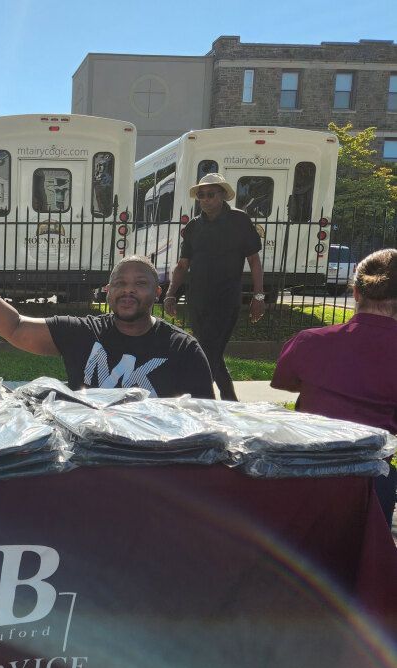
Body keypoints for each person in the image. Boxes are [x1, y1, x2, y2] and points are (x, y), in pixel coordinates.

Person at [0, 233, 214, 398]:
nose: (128, 290)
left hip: (152, 465)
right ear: (107, 290)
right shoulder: (84, 333)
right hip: (90, 459)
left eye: (140, 283)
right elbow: (15, 327)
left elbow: (204, 419)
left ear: (157, 292)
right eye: (120, 282)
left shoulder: (183, 349)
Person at [271, 248, 397, 525]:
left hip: (306, 471)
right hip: (370, 481)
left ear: (355, 292)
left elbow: (285, 382)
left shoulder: (309, 341)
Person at [163, 173, 265, 401]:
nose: (206, 199)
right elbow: (182, 265)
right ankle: (228, 399)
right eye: (201, 196)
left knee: (209, 349)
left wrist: (259, 295)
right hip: (197, 299)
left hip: (226, 299)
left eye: (211, 194)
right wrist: (170, 294)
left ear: (222, 195)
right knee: (209, 352)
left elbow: (254, 261)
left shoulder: (239, 221)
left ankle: (200, 396)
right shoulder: (192, 228)